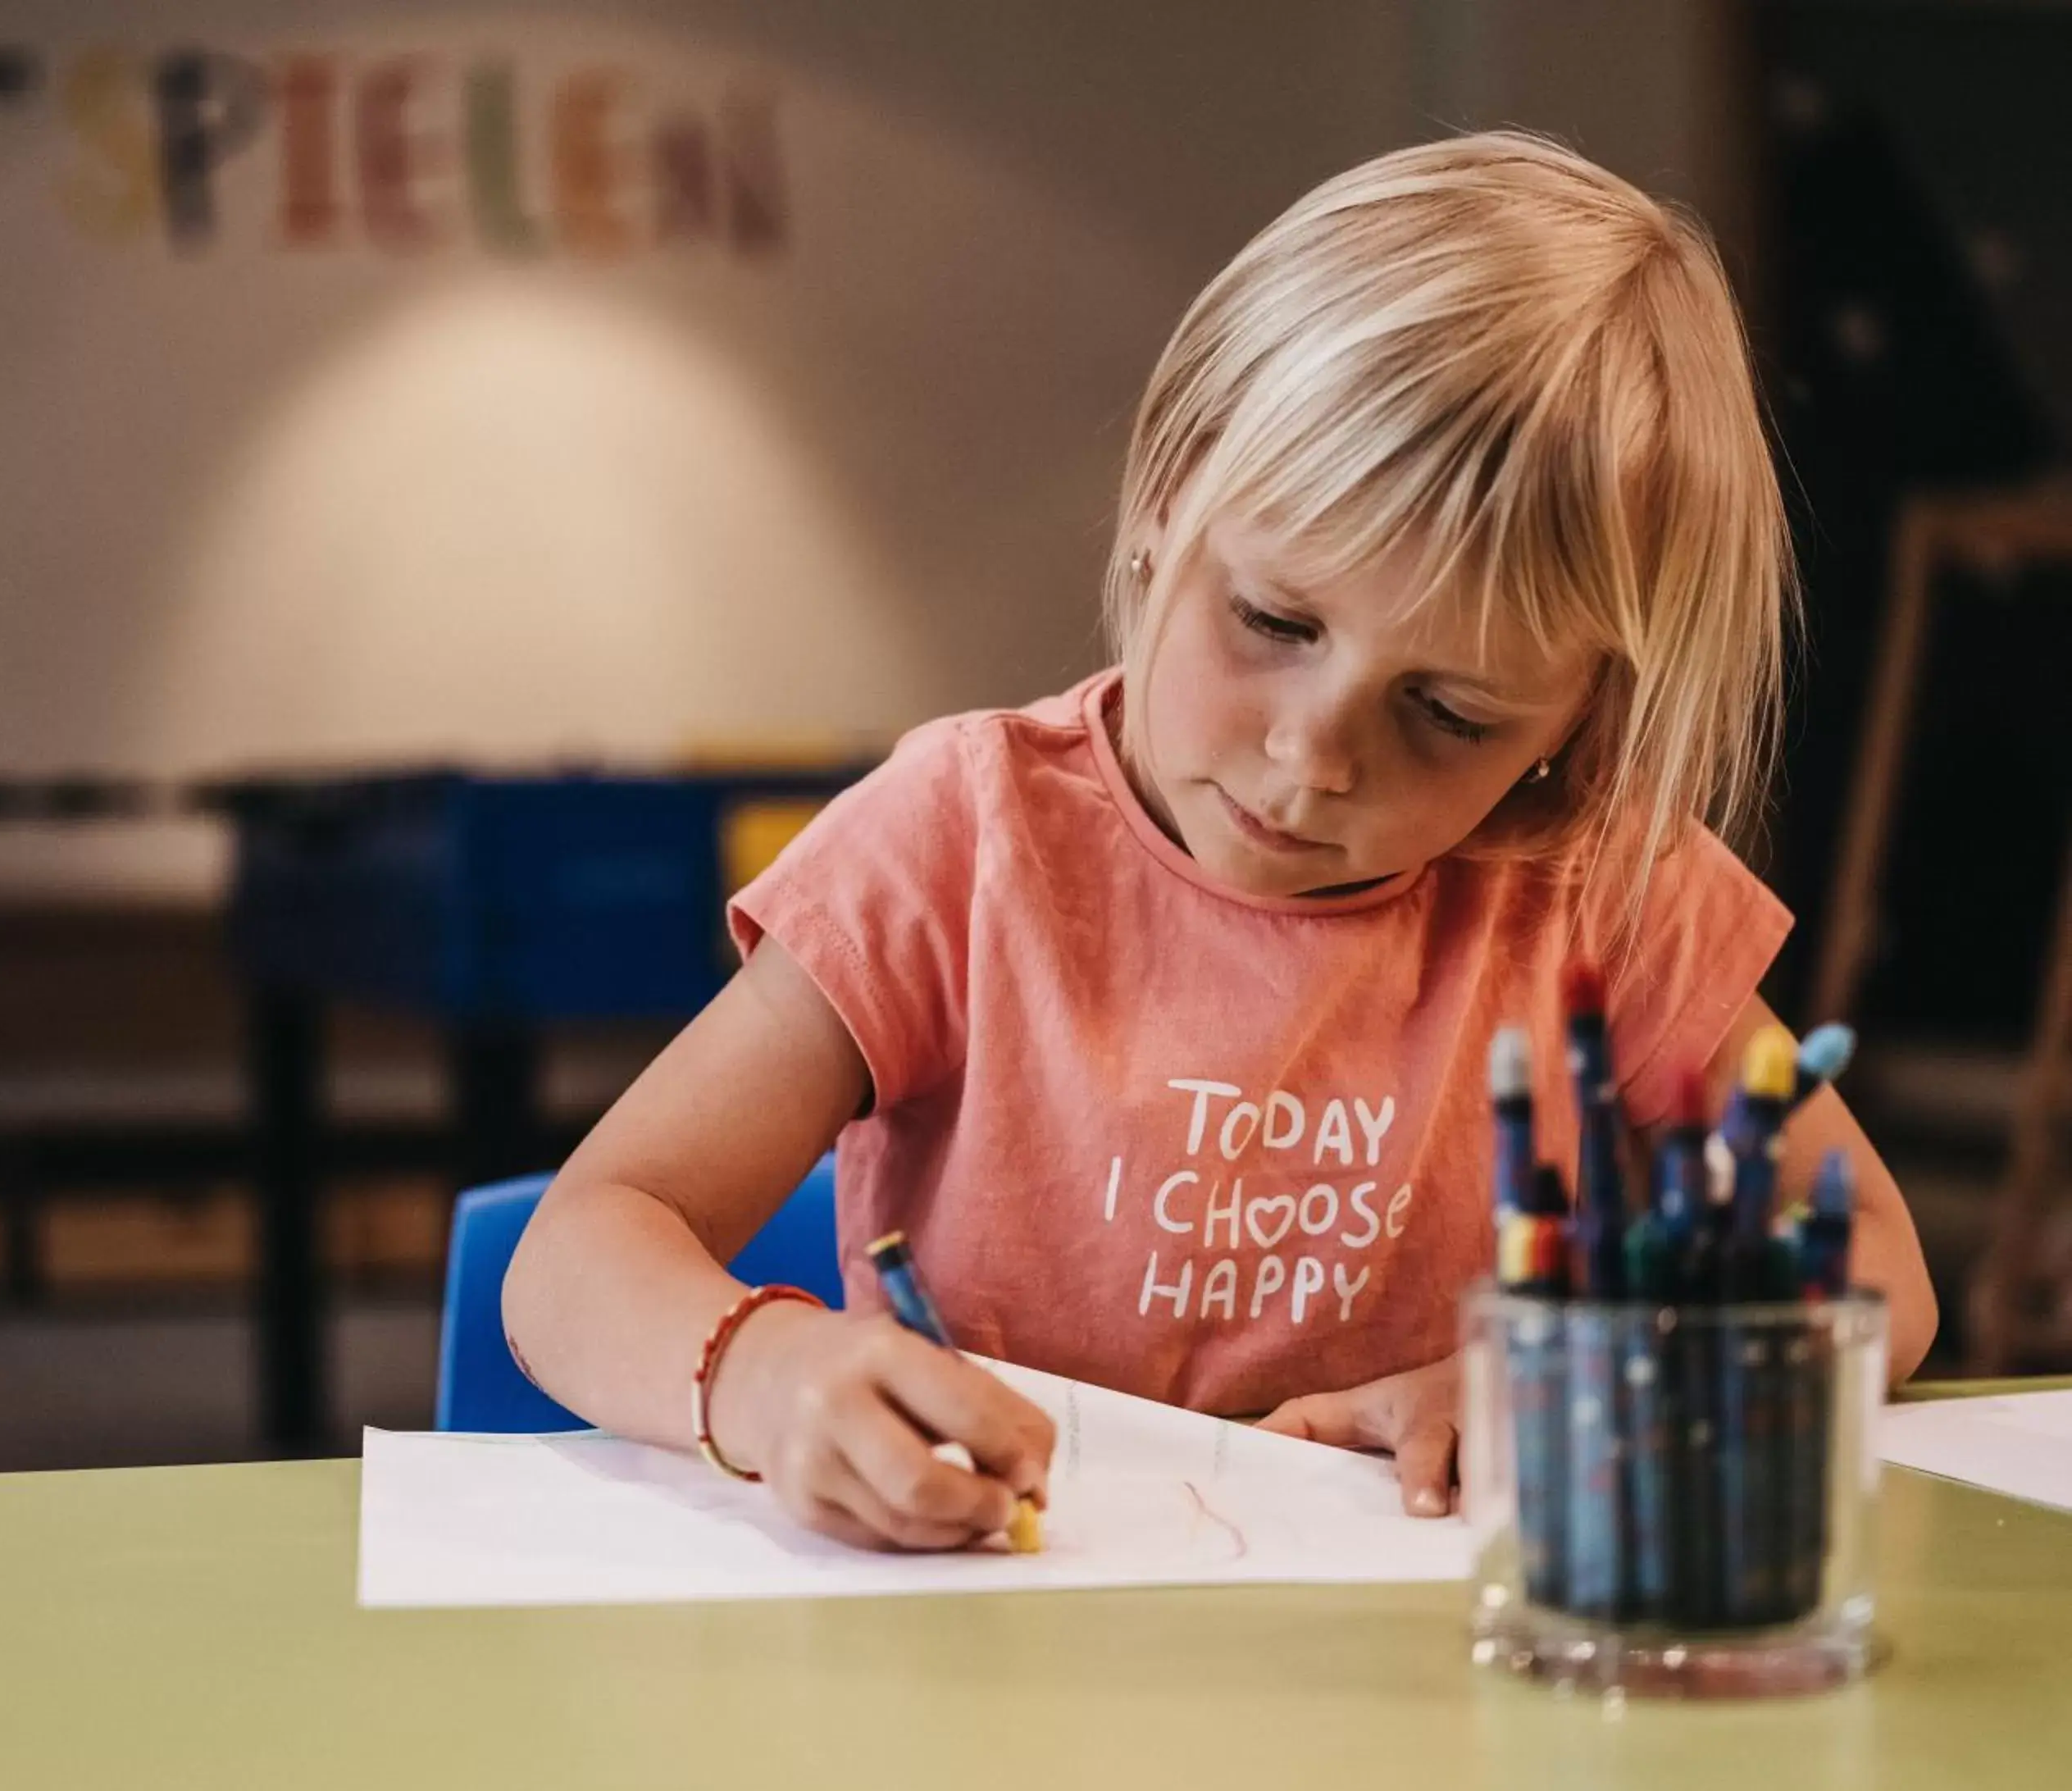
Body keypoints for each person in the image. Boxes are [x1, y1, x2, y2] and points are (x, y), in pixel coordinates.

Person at [502, 130, 1938, 1552]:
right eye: (1273, 623)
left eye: (1445, 712)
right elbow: (581, 1247)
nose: (1312, 755)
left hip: (1417, 1698)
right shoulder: (958, 841)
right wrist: (762, 1377)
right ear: (1171, 493)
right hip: (995, 1660)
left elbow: (1876, 1264)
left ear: (1583, 720)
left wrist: (1573, 1378)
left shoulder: (1601, 894)